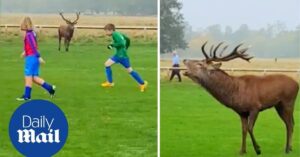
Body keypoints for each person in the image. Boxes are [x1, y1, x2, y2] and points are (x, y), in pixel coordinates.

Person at [17, 16, 56, 101]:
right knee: (34, 78)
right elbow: (31, 45)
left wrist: (39, 57)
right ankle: (50, 89)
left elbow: (33, 47)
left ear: (25, 24)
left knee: (28, 76)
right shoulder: (32, 33)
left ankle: (27, 96)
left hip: (31, 58)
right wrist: (25, 52)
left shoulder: (29, 34)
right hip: (33, 57)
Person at [101, 23, 148, 92]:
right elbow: (127, 39)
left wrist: (112, 45)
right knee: (129, 70)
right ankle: (142, 83)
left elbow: (122, 43)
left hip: (120, 56)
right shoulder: (118, 33)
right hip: (122, 55)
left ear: (111, 30)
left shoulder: (114, 35)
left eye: (106, 31)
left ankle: (110, 83)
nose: (106, 33)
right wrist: (125, 48)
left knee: (107, 65)